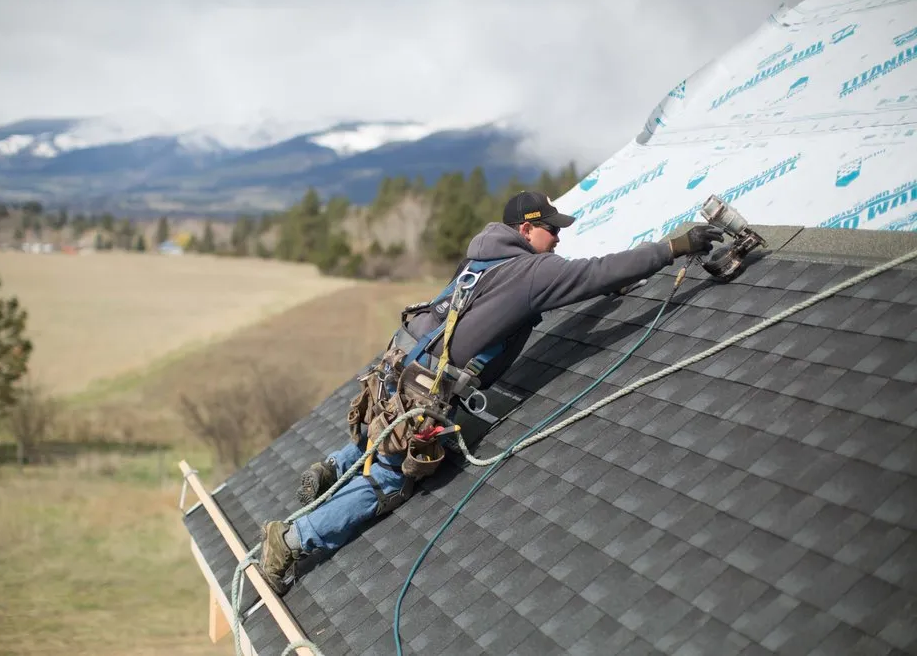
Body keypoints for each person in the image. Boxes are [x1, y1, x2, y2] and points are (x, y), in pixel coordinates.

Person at [258, 190, 723, 594]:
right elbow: (593, 272)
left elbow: (554, 291)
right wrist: (673, 247)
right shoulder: (534, 273)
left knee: (385, 430)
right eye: (552, 231)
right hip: (422, 393)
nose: (558, 239)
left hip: (396, 371)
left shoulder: (482, 258)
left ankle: (333, 467)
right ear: (526, 229)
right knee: (391, 479)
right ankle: (292, 541)